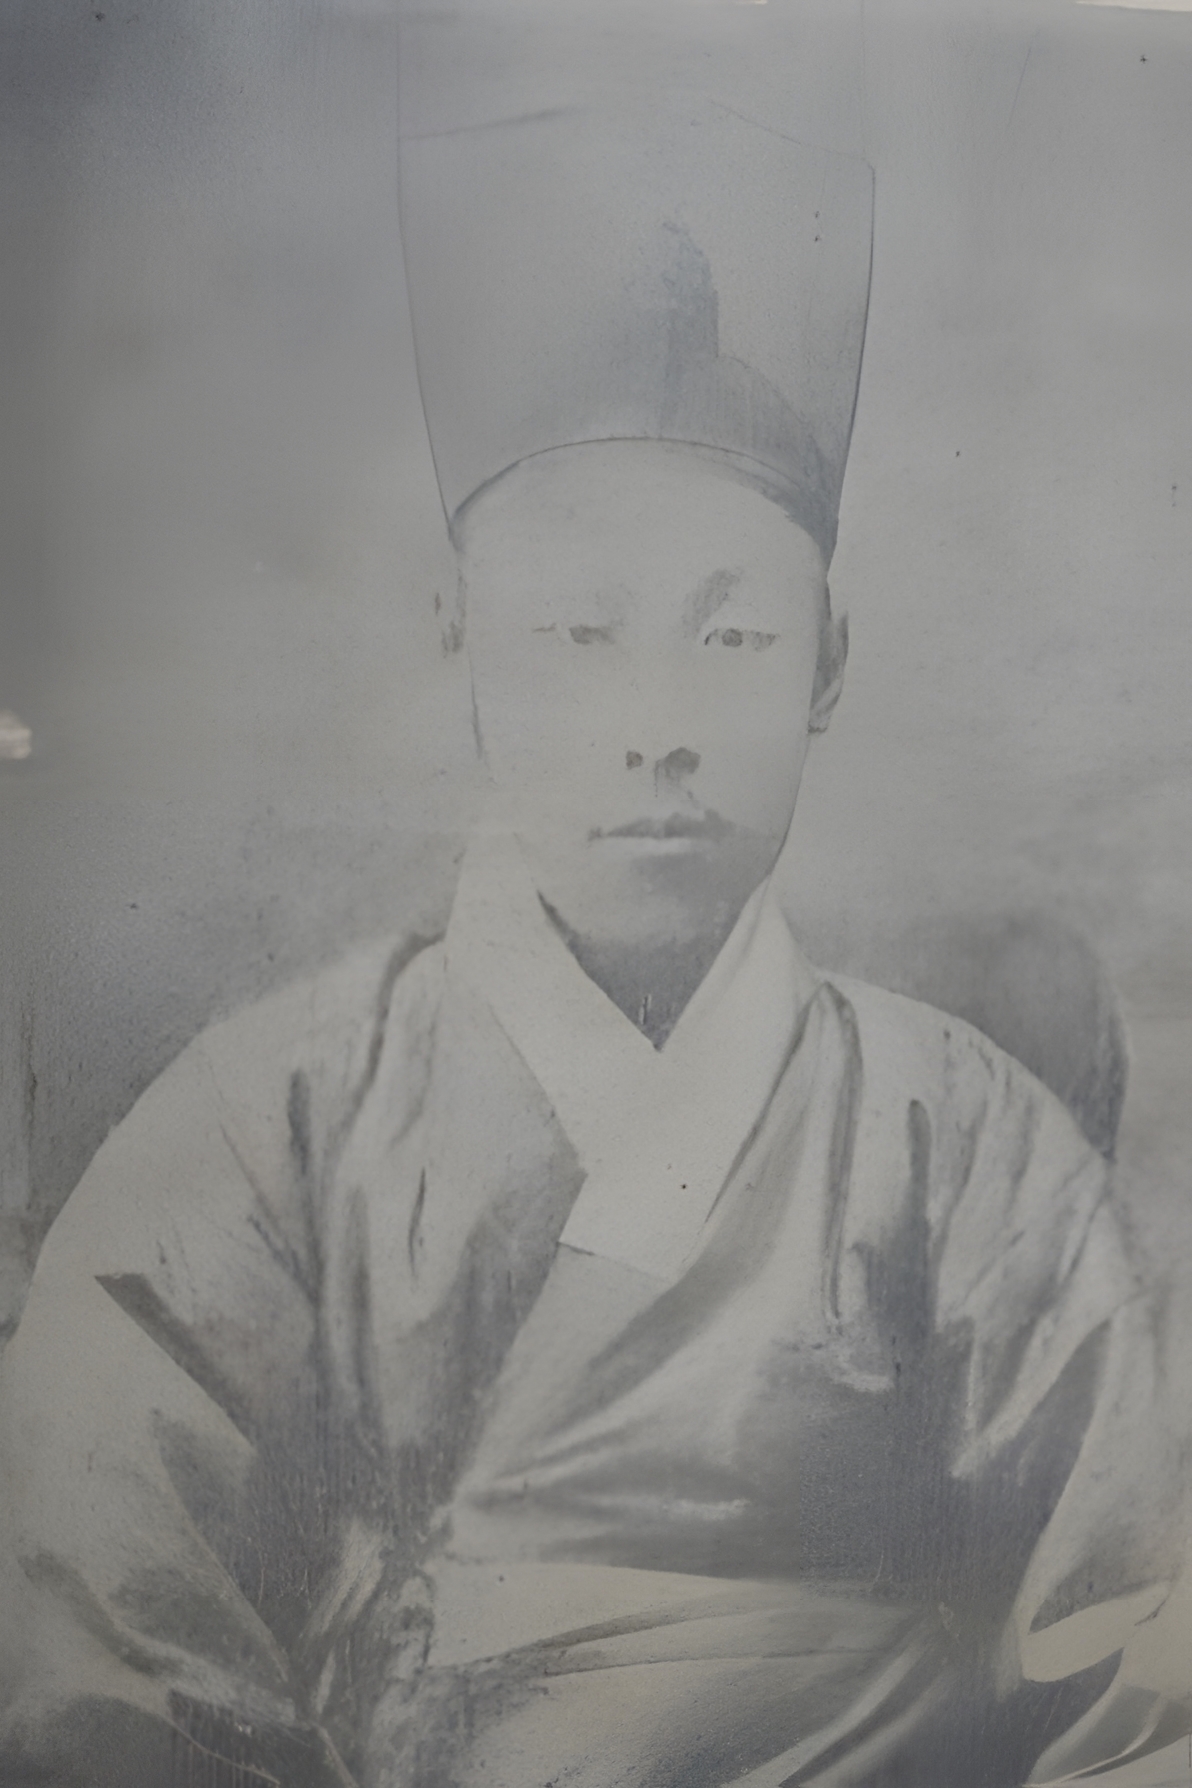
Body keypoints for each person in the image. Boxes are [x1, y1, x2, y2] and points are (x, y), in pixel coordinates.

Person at [1, 67, 1189, 1788]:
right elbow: (98, 1663)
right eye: (576, 635)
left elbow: (1147, 1682)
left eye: (731, 638)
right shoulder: (267, 1133)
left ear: (828, 664)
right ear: (460, 641)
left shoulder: (971, 1153)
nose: (659, 727)